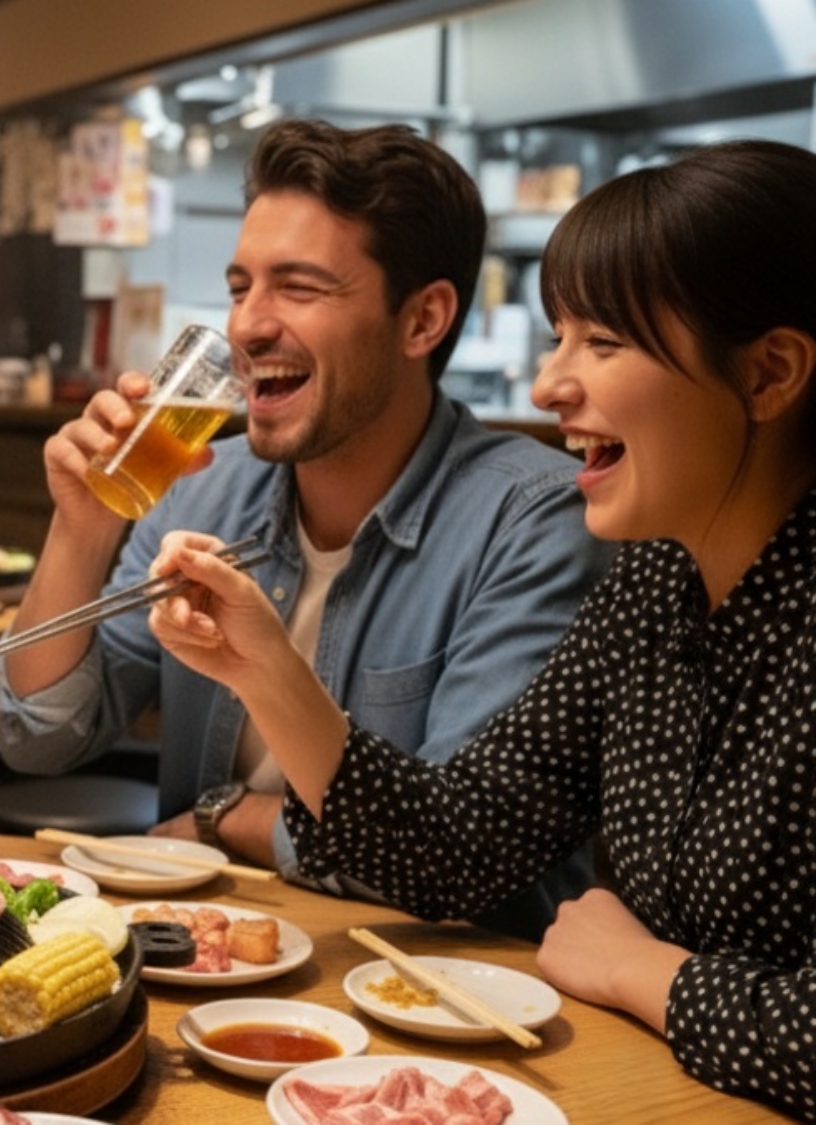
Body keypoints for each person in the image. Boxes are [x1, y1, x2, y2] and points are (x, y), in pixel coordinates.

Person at [145, 138, 816, 1119]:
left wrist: (645, 973)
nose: (548, 387)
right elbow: (461, 845)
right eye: (556, 336)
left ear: (769, 373)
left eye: (601, 342)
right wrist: (266, 673)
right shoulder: (651, 590)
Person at [0, 118, 610, 939]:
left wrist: (227, 818)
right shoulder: (199, 490)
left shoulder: (530, 521)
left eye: (299, 286)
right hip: (206, 960)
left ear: (423, 320)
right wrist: (80, 530)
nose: (248, 325)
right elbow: (38, 738)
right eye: (240, 285)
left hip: (424, 994)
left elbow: (461, 857)